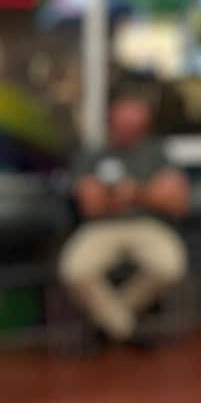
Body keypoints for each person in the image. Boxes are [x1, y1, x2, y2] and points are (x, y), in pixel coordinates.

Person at [58, 89, 190, 346]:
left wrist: (135, 193)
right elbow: (91, 205)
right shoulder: (92, 153)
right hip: (101, 228)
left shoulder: (156, 152)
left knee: (169, 266)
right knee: (75, 270)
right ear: (112, 113)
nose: (132, 117)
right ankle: (127, 330)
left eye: (138, 109)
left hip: (147, 225)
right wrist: (148, 192)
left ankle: (107, 324)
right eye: (126, 109)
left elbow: (178, 201)